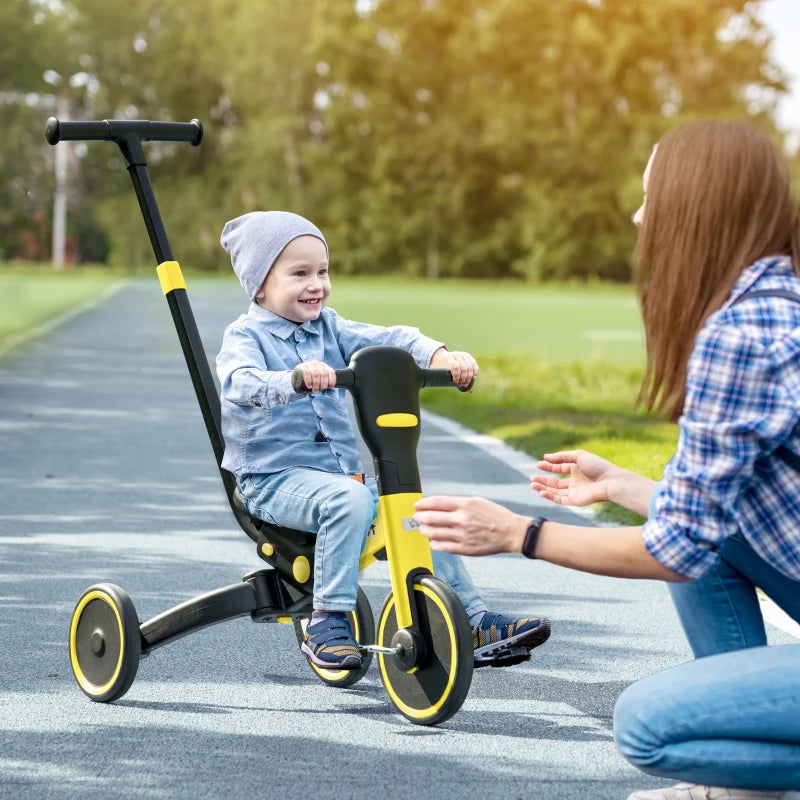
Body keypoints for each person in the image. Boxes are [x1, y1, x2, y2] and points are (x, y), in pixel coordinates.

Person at [413, 120, 800, 796]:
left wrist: (517, 535)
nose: (638, 216)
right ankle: (742, 788)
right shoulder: (776, 300)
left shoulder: (740, 335)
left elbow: (673, 550)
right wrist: (623, 483)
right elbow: (705, 520)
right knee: (707, 538)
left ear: (697, 209)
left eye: (652, 197)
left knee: (648, 726)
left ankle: (737, 778)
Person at [215, 210, 551, 672]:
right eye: (299, 274)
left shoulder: (328, 329)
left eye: (322, 271)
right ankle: (327, 619)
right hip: (270, 481)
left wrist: (439, 355)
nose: (316, 284)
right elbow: (239, 382)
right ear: (259, 286)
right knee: (350, 500)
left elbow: (389, 339)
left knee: (417, 510)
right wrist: (291, 380)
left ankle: (470, 621)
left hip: (337, 481)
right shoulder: (245, 336)